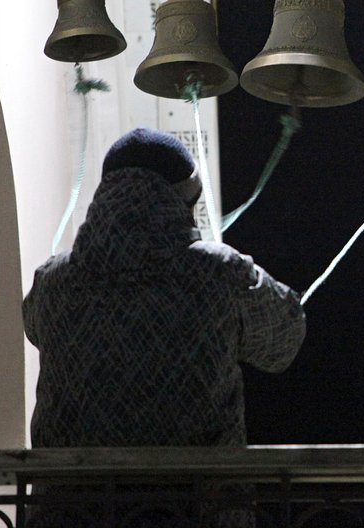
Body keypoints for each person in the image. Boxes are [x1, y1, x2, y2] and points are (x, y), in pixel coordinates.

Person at [23, 127, 306, 524]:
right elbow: (284, 343)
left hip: (72, 515)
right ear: (183, 200)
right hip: (196, 513)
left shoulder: (51, 282)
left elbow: (35, 327)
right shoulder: (218, 272)